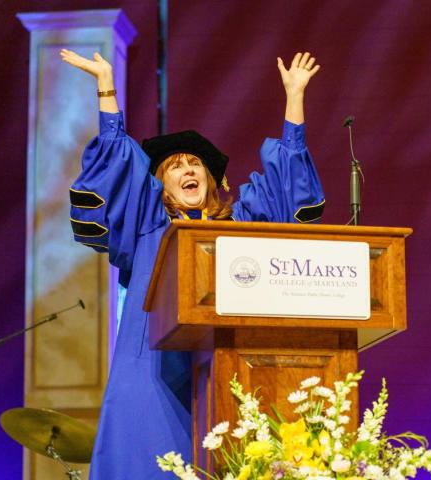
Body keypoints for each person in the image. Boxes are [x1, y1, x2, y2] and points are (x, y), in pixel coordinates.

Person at [61, 49, 325, 479]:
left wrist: (294, 99)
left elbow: (285, 193)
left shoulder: (240, 225)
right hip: (152, 371)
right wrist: (106, 88)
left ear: (212, 179)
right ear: (160, 184)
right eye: (175, 166)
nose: (189, 169)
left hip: (227, 369)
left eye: (196, 163)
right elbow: (121, 167)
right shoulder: (148, 226)